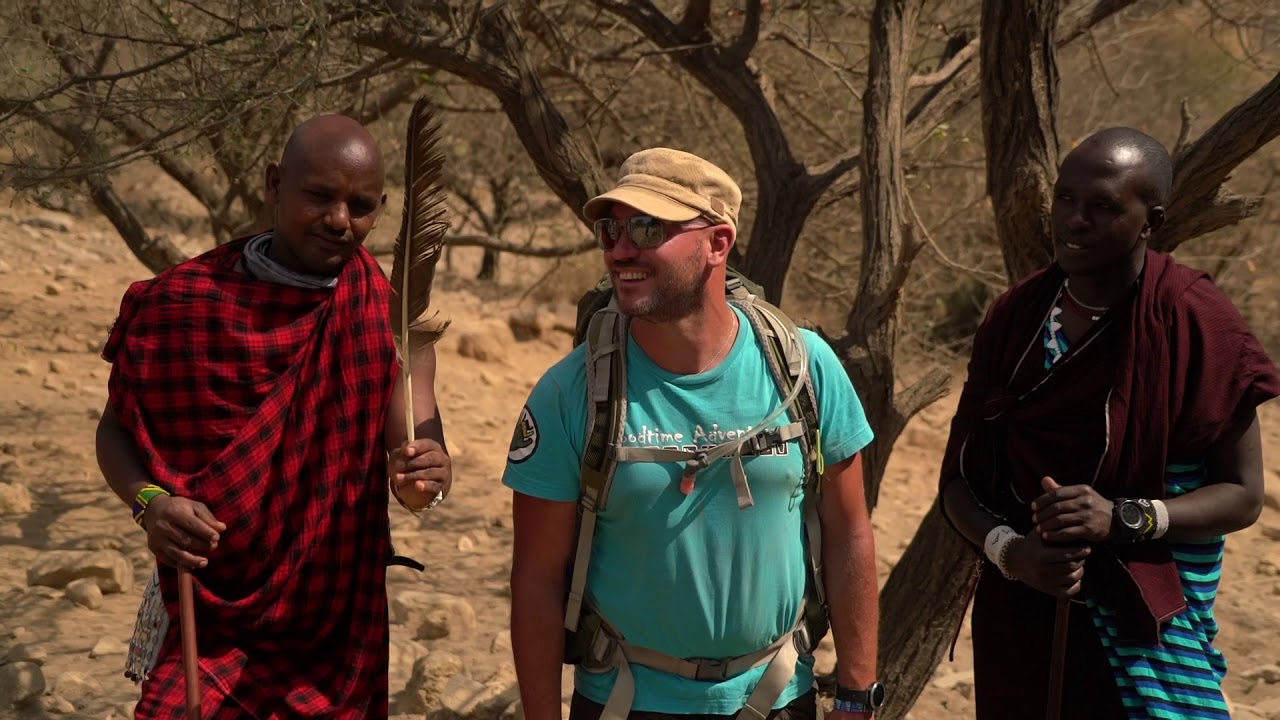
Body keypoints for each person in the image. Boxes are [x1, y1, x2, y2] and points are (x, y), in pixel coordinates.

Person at [503, 148, 882, 720]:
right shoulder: (571, 392)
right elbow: (536, 578)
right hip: (625, 703)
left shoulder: (806, 367)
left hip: (782, 695)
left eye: (647, 227)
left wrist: (856, 694)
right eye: (610, 229)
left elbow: (849, 531)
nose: (621, 248)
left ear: (717, 243)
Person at [95, 114, 453, 719]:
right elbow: (116, 431)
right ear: (272, 184)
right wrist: (150, 502)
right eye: (319, 196)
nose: (340, 221)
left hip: (333, 621)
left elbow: (416, 469)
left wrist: (427, 477)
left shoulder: (387, 319)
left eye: (361, 206)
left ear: (383, 208)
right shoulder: (181, 302)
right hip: (205, 606)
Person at [937, 127, 1280, 719]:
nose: (1074, 220)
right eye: (1065, 199)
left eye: (1103, 207)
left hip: (1144, 623)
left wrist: (1122, 518)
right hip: (1023, 612)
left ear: (1151, 220)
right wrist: (1012, 554)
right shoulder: (1017, 318)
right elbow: (957, 482)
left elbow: (1243, 496)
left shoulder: (1194, 320)